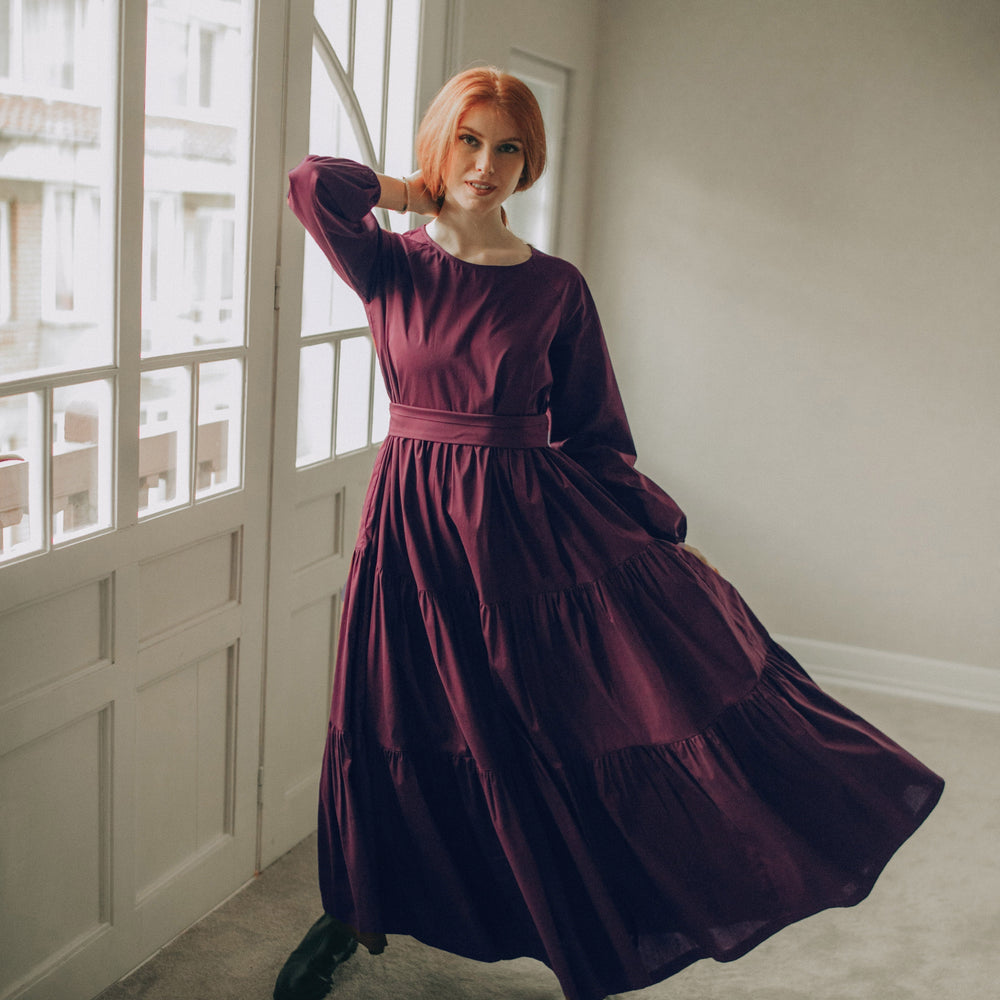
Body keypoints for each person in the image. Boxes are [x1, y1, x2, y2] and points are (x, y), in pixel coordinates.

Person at [275, 67, 943, 1000]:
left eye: (509, 148)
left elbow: (594, 431)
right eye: (469, 140)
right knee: (396, 713)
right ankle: (355, 910)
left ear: (531, 162)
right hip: (411, 524)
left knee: (543, 726)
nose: (487, 165)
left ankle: (571, 912)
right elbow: (314, 183)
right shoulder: (392, 263)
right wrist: (414, 191)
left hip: (522, 530)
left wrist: (656, 532)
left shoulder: (554, 286)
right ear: (440, 145)